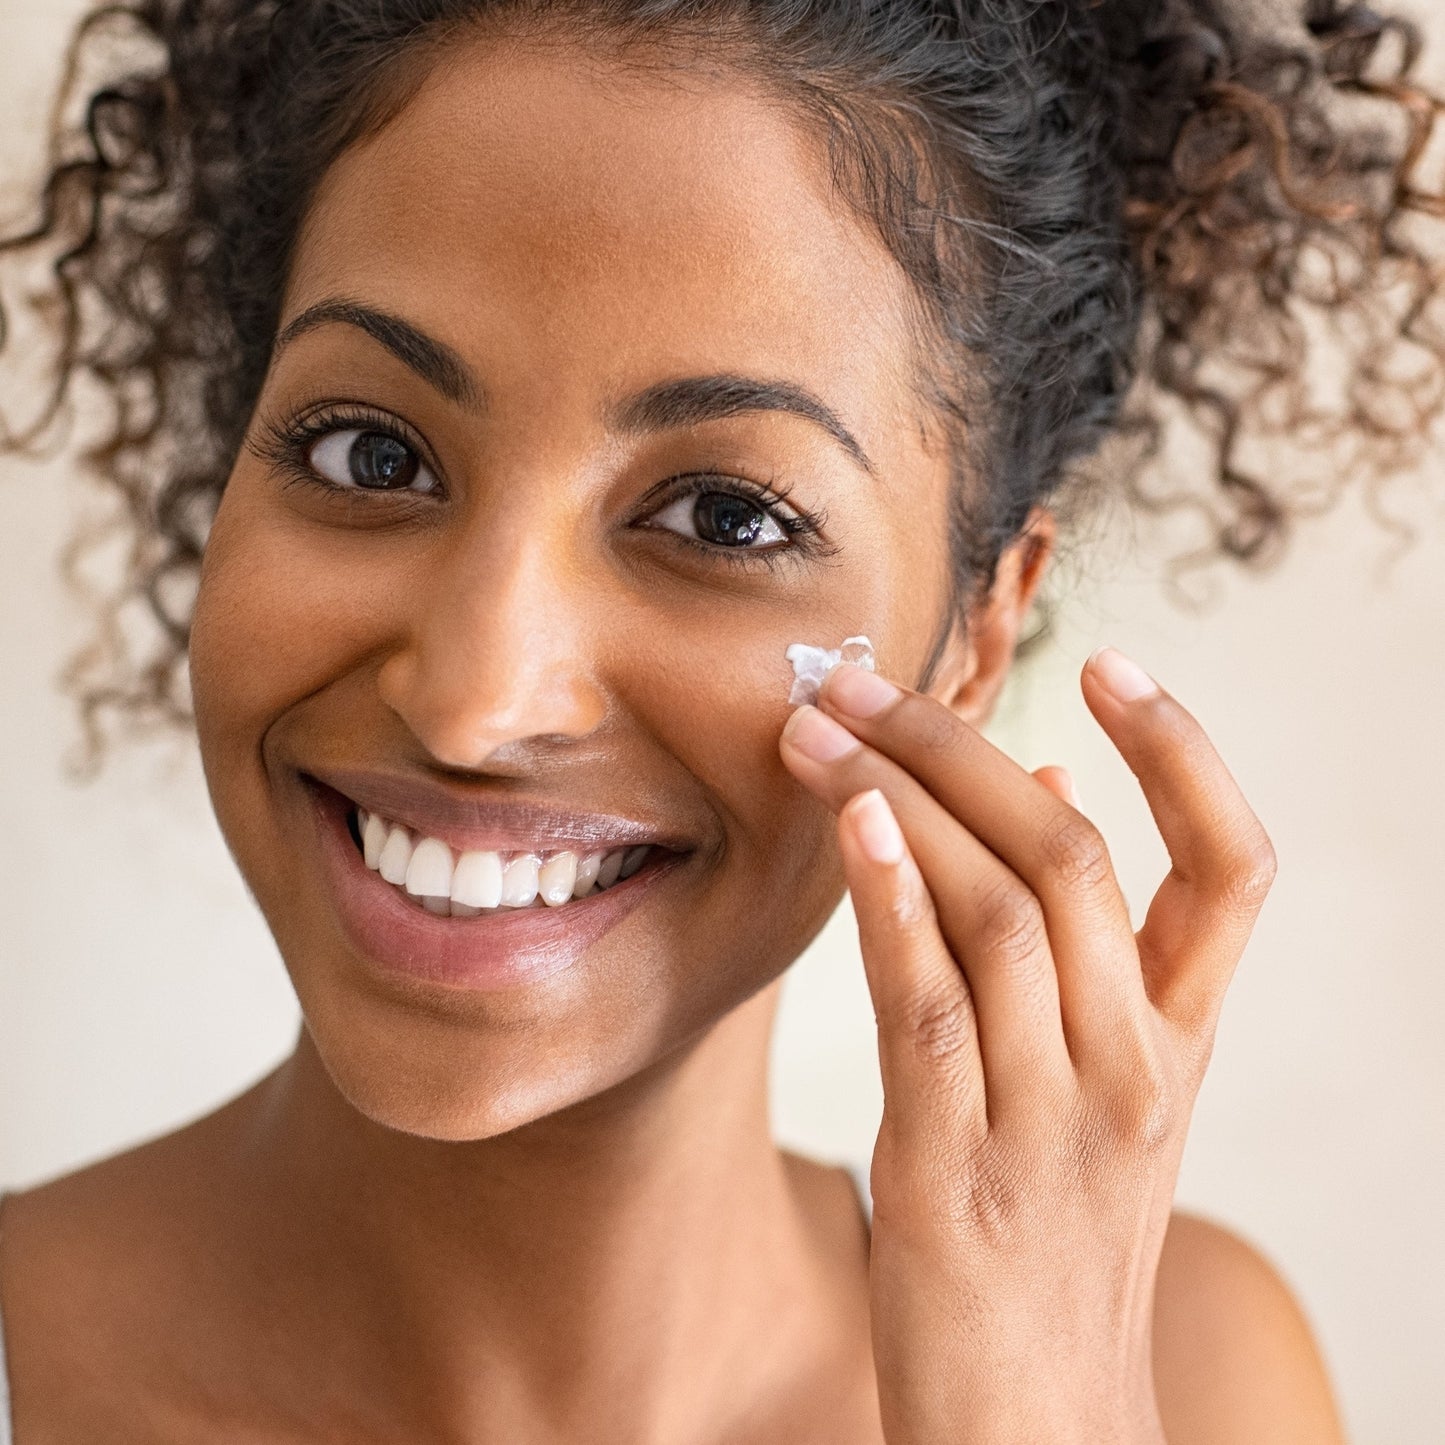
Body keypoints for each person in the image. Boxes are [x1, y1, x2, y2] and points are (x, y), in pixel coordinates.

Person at [1, 0, 1440, 1439]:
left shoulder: (1190, 1379)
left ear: (975, 629)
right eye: (369, 451)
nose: (474, 698)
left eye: (725, 516)